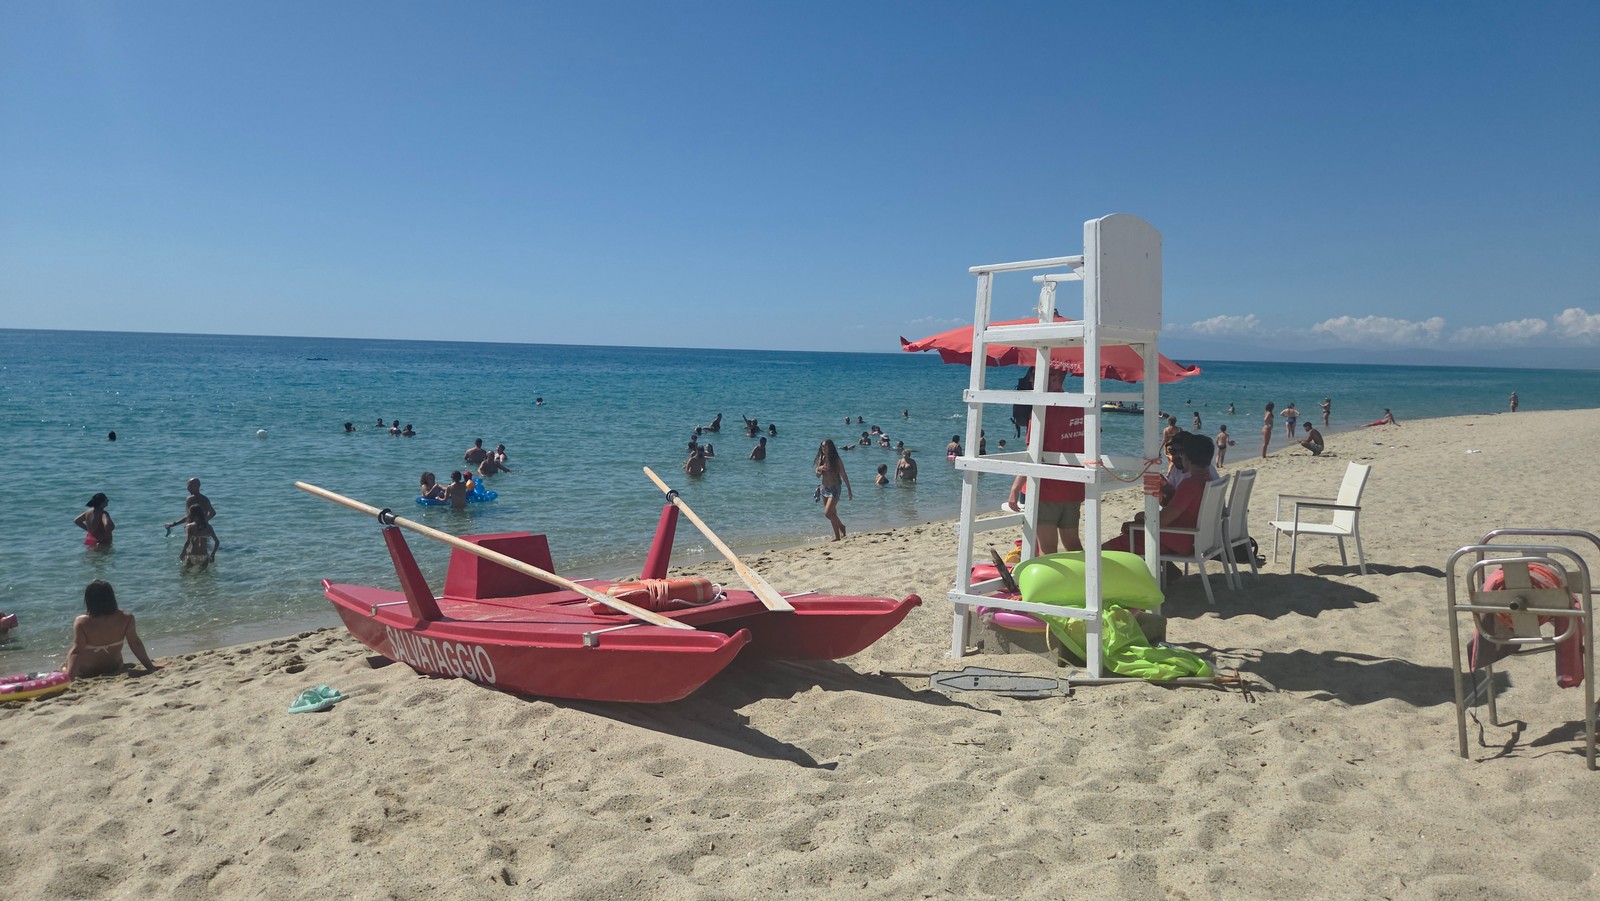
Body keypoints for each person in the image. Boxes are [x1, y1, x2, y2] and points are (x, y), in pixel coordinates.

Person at [1006, 369, 1086, 554]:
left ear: (1055, 378)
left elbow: (1033, 455)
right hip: (1074, 485)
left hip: (1046, 489)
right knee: (1073, 542)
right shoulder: (1080, 405)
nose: (1031, 380)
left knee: (1047, 548)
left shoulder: (1042, 409)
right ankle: (1086, 573)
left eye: (1035, 375)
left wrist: (1015, 488)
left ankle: (1060, 576)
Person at [1104, 433, 1214, 556]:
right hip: (1187, 536)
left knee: (1104, 549)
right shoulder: (1209, 480)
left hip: (1173, 540)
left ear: (1186, 456)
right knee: (1139, 521)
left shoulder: (1190, 485)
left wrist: (1136, 525)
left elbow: (1161, 521)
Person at [62, 580, 158, 678]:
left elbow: (77, 652)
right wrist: (150, 667)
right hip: (114, 667)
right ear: (112, 597)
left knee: (70, 655)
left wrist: (69, 677)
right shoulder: (126, 618)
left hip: (87, 671)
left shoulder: (82, 622)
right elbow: (135, 643)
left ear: (89, 600)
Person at [815, 439, 852, 541]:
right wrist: (820, 468)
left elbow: (843, 474)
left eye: (826, 446)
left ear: (830, 447)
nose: (824, 448)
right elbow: (817, 475)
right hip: (824, 488)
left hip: (835, 488)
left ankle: (841, 526)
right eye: (822, 446)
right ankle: (837, 537)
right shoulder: (821, 458)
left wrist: (849, 489)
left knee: (827, 513)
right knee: (832, 513)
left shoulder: (836, 460)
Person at [1011, 372, 1033, 438]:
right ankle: (1023, 435)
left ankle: (1020, 435)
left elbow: (1015, 406)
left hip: (1021, 414)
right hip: (1024, 413)